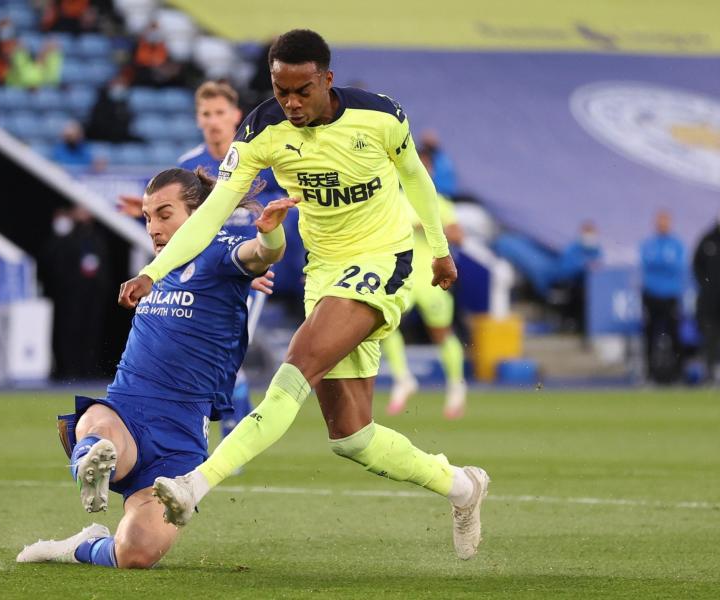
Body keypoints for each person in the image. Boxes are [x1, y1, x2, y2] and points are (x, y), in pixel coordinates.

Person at [119, 29, 489, 560]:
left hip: (382, 261)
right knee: (351, 437)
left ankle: (194, 484)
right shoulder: (262, 130)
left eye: (302, 90)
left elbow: (416, 179)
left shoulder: (381, 117)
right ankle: (462, 487)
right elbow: (214, 213)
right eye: (280, 89)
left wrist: (438, 248)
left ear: (326, 80)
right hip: (326, 272)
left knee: (296, 366)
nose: (290, 102)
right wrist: (154, 271)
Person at [16, 168, 293, 568]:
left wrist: (270, 233)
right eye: (148, 217)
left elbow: (263, 254)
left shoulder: (219, 252)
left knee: (137, 554)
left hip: (180, 439)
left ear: (199, 215)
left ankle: (77, 545)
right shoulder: (158, 267)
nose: (153, 227)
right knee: (99, 429)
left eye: (165, 214)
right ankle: (90, 460)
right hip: (127, 411)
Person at [119, 81, 288, 442]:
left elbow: (284, 205)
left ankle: (230, 435)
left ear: (235, 116)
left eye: (220, 113)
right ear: (198, 119)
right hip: (203, 270)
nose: (213, 121)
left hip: (243, 264)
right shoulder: (188, 164)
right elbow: (181, 226)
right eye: (206, 114)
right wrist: (146, 213)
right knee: (203, 358)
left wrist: (249, 262)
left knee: (228, 360)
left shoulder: (259, 160)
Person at [384, 191, 467, 418]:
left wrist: (428, 227)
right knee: (384, 326)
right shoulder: (392, 197)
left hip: (431, 279)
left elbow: (459, 236)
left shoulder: (438, 202)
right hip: (400, 277)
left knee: (440, 333)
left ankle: (456, 386)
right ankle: (403, 379)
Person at [38, 206, 111, 380]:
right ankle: (69, 369)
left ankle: (88, 368)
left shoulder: (97, 238)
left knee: (91, 332)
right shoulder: (66, 238)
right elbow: (53, 262)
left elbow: (104, 267)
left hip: (93, 295)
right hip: (70, 296)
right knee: (69, 332)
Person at [639, 211, 686, 383]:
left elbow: (677, 266)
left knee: (675, 335)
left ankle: (678, 374)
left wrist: (661, 264)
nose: (662, 224)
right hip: (651, 295)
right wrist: (664, 264)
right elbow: (648, 263)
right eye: (660, 221)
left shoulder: (676, 244)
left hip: (671, 295)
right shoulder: (649, 244)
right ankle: (649, 374)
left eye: (665, 221)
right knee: (650, 335)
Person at [693, 213, 720, 384]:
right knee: (710, 336)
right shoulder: (708, 240)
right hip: (710, 300)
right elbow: (696, 265)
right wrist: (707, 285)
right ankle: (710, 373)